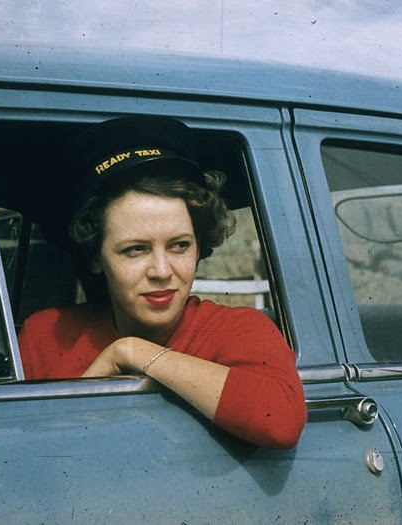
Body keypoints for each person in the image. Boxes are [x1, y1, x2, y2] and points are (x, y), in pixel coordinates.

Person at [18, 116, 306, 449]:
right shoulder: (46, 335)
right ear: (96, 257)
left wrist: (132, 352)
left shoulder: (238, 330)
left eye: (179, 245)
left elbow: (281, 422)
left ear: (200, 246)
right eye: (135, 250)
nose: (162, 270)